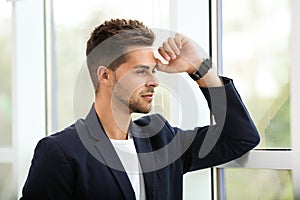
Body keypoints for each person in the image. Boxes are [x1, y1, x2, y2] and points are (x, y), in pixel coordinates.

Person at [20, 19, 260, 200]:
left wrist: (200, 69)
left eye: (153, 71)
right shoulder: (61, 152)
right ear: (105, 75)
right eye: (140, 71)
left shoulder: (162, 139)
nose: (154, 81)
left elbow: (239, 137)